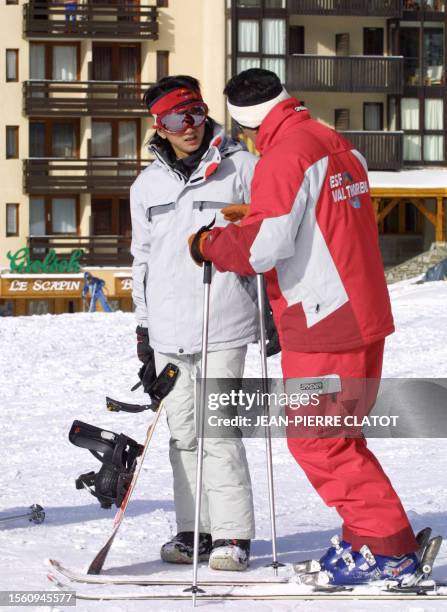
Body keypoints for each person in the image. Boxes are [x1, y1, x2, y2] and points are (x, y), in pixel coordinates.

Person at [189, 68, 420, 586]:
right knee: (341, 433)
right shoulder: (333, 142)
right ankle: (367, 539)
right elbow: (318, 215)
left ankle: (390, 551)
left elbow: (261, 248)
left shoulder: (284, 156)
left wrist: (210, 244)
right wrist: (259, 212)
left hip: (323, 320)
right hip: (363, 313)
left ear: (247, 121)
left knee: (318, 440)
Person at [130, 75, 259, 571]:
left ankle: (232, 535)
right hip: (167, 330)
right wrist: (144, 331)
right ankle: (194, 530)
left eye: (196, 113)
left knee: (219, 429)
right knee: (182, 431)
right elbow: (141, 260)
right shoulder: (147, 185)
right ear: (158, 126)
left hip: (223, 319)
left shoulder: (241, 168)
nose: (189, 126)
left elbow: (269, 235)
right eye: (176, 119)